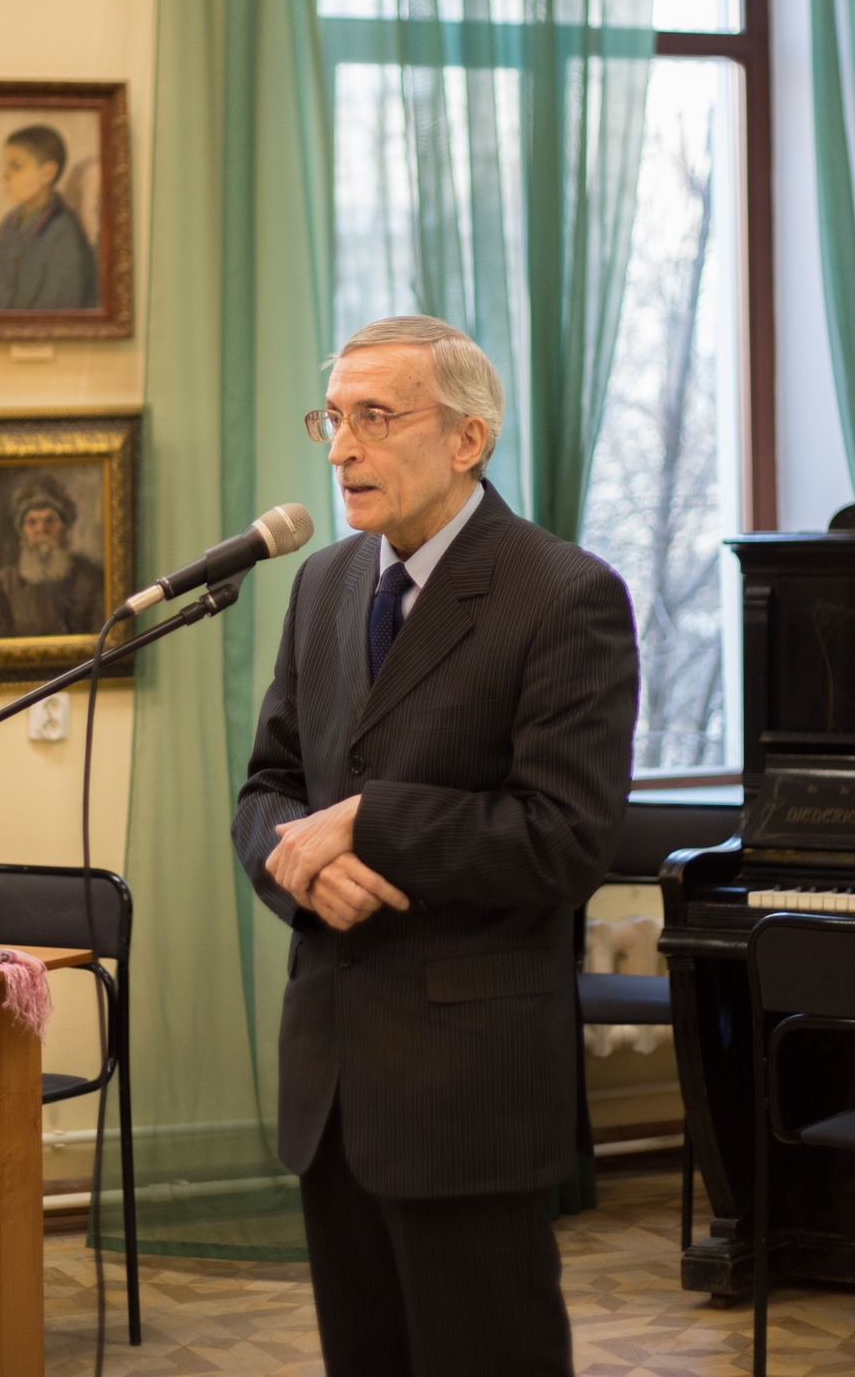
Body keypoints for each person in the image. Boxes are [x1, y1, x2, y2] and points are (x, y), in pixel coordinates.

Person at [232, 315, 638, 1377]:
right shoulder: (324, 583)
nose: (340, 449)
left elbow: (565, 840)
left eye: (375, 417)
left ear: (468, 439)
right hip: (333, 1079)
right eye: (332, 418)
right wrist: (305, 872)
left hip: (468, 1090)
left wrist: (370, 821)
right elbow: (270, 786)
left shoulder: (563, 595)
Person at [0, 126, 97, 312]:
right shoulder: (9, 223)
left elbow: (56, 308)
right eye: (6, 166)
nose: (5, 175)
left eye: (16, 166)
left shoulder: (65, 235)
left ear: (47, 174)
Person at [0, 479, 106, 637]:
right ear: (22, 531)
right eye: (32, 522)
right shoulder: (4, 584)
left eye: (50, 520)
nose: (41, 529)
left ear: (64, 526)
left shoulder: (90, 578)